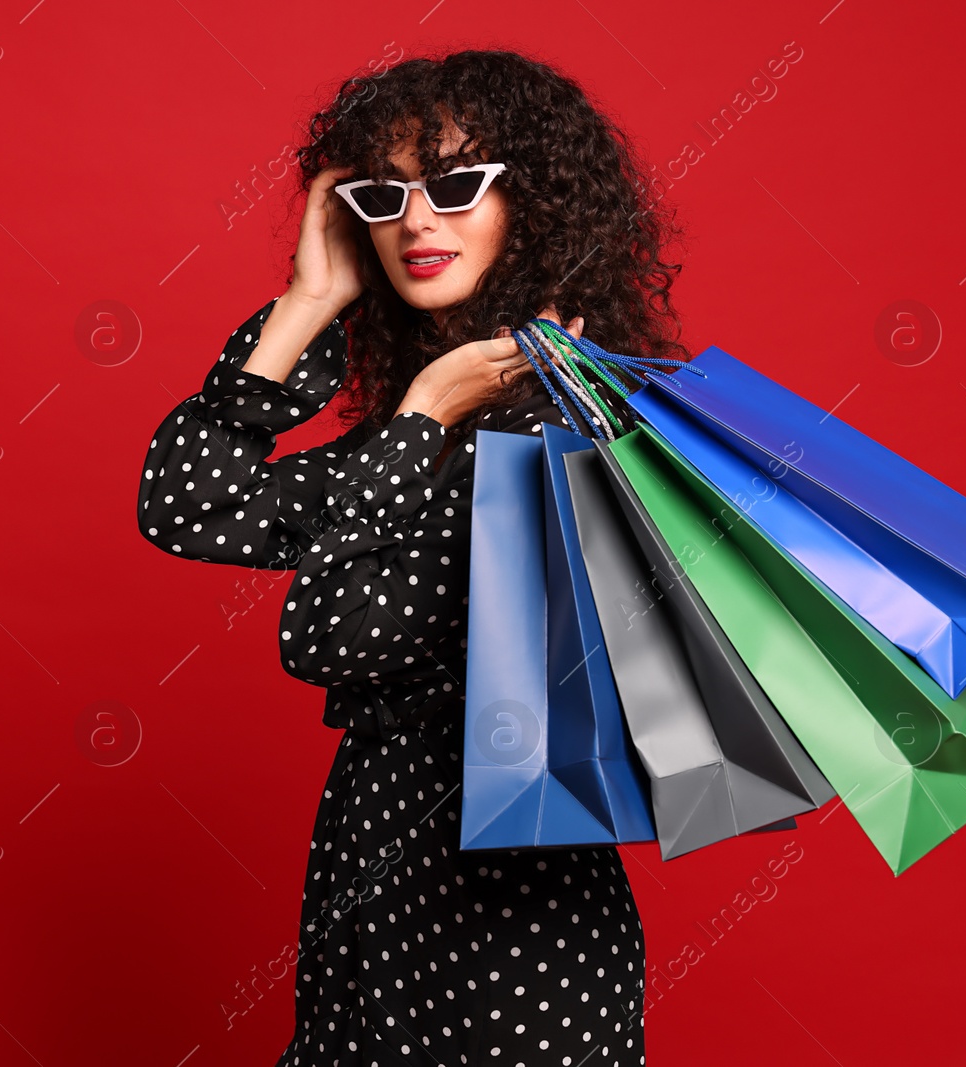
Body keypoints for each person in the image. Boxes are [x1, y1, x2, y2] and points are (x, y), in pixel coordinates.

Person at [137, 48, 688, 1067]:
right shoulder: (425, 429)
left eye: (454, 183)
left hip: (512, 903)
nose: (416, 221)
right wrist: (309, 301)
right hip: (368, 875)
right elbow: (186, 503)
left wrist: (427, 411)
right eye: (385, 194)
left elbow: (343, 629)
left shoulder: (583, 436)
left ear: (539, 203)